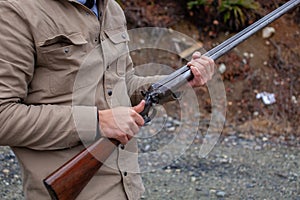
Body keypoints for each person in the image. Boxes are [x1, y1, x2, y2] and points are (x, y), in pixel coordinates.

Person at [0, 0, 215, 199]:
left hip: (126, 188)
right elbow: (4, 116)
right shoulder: (15, 11)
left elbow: (123, 83)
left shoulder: (110, 8)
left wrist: (180, 81)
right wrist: (97, 122)